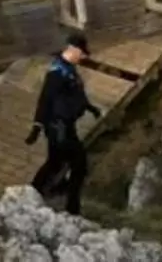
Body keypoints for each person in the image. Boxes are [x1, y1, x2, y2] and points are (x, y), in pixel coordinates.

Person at [25, 30, 99, 215]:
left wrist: (90, 107)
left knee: (56, 161)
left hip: (66, 125)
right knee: (77, 163)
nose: (82, 57)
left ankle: (35, 192)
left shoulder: (68, 69)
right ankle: (71, 206)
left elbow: (75, 94)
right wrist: (37, 125)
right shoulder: (57, 72)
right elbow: (45, 99)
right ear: (73, 50)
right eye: (81, 53)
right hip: (58, 126)